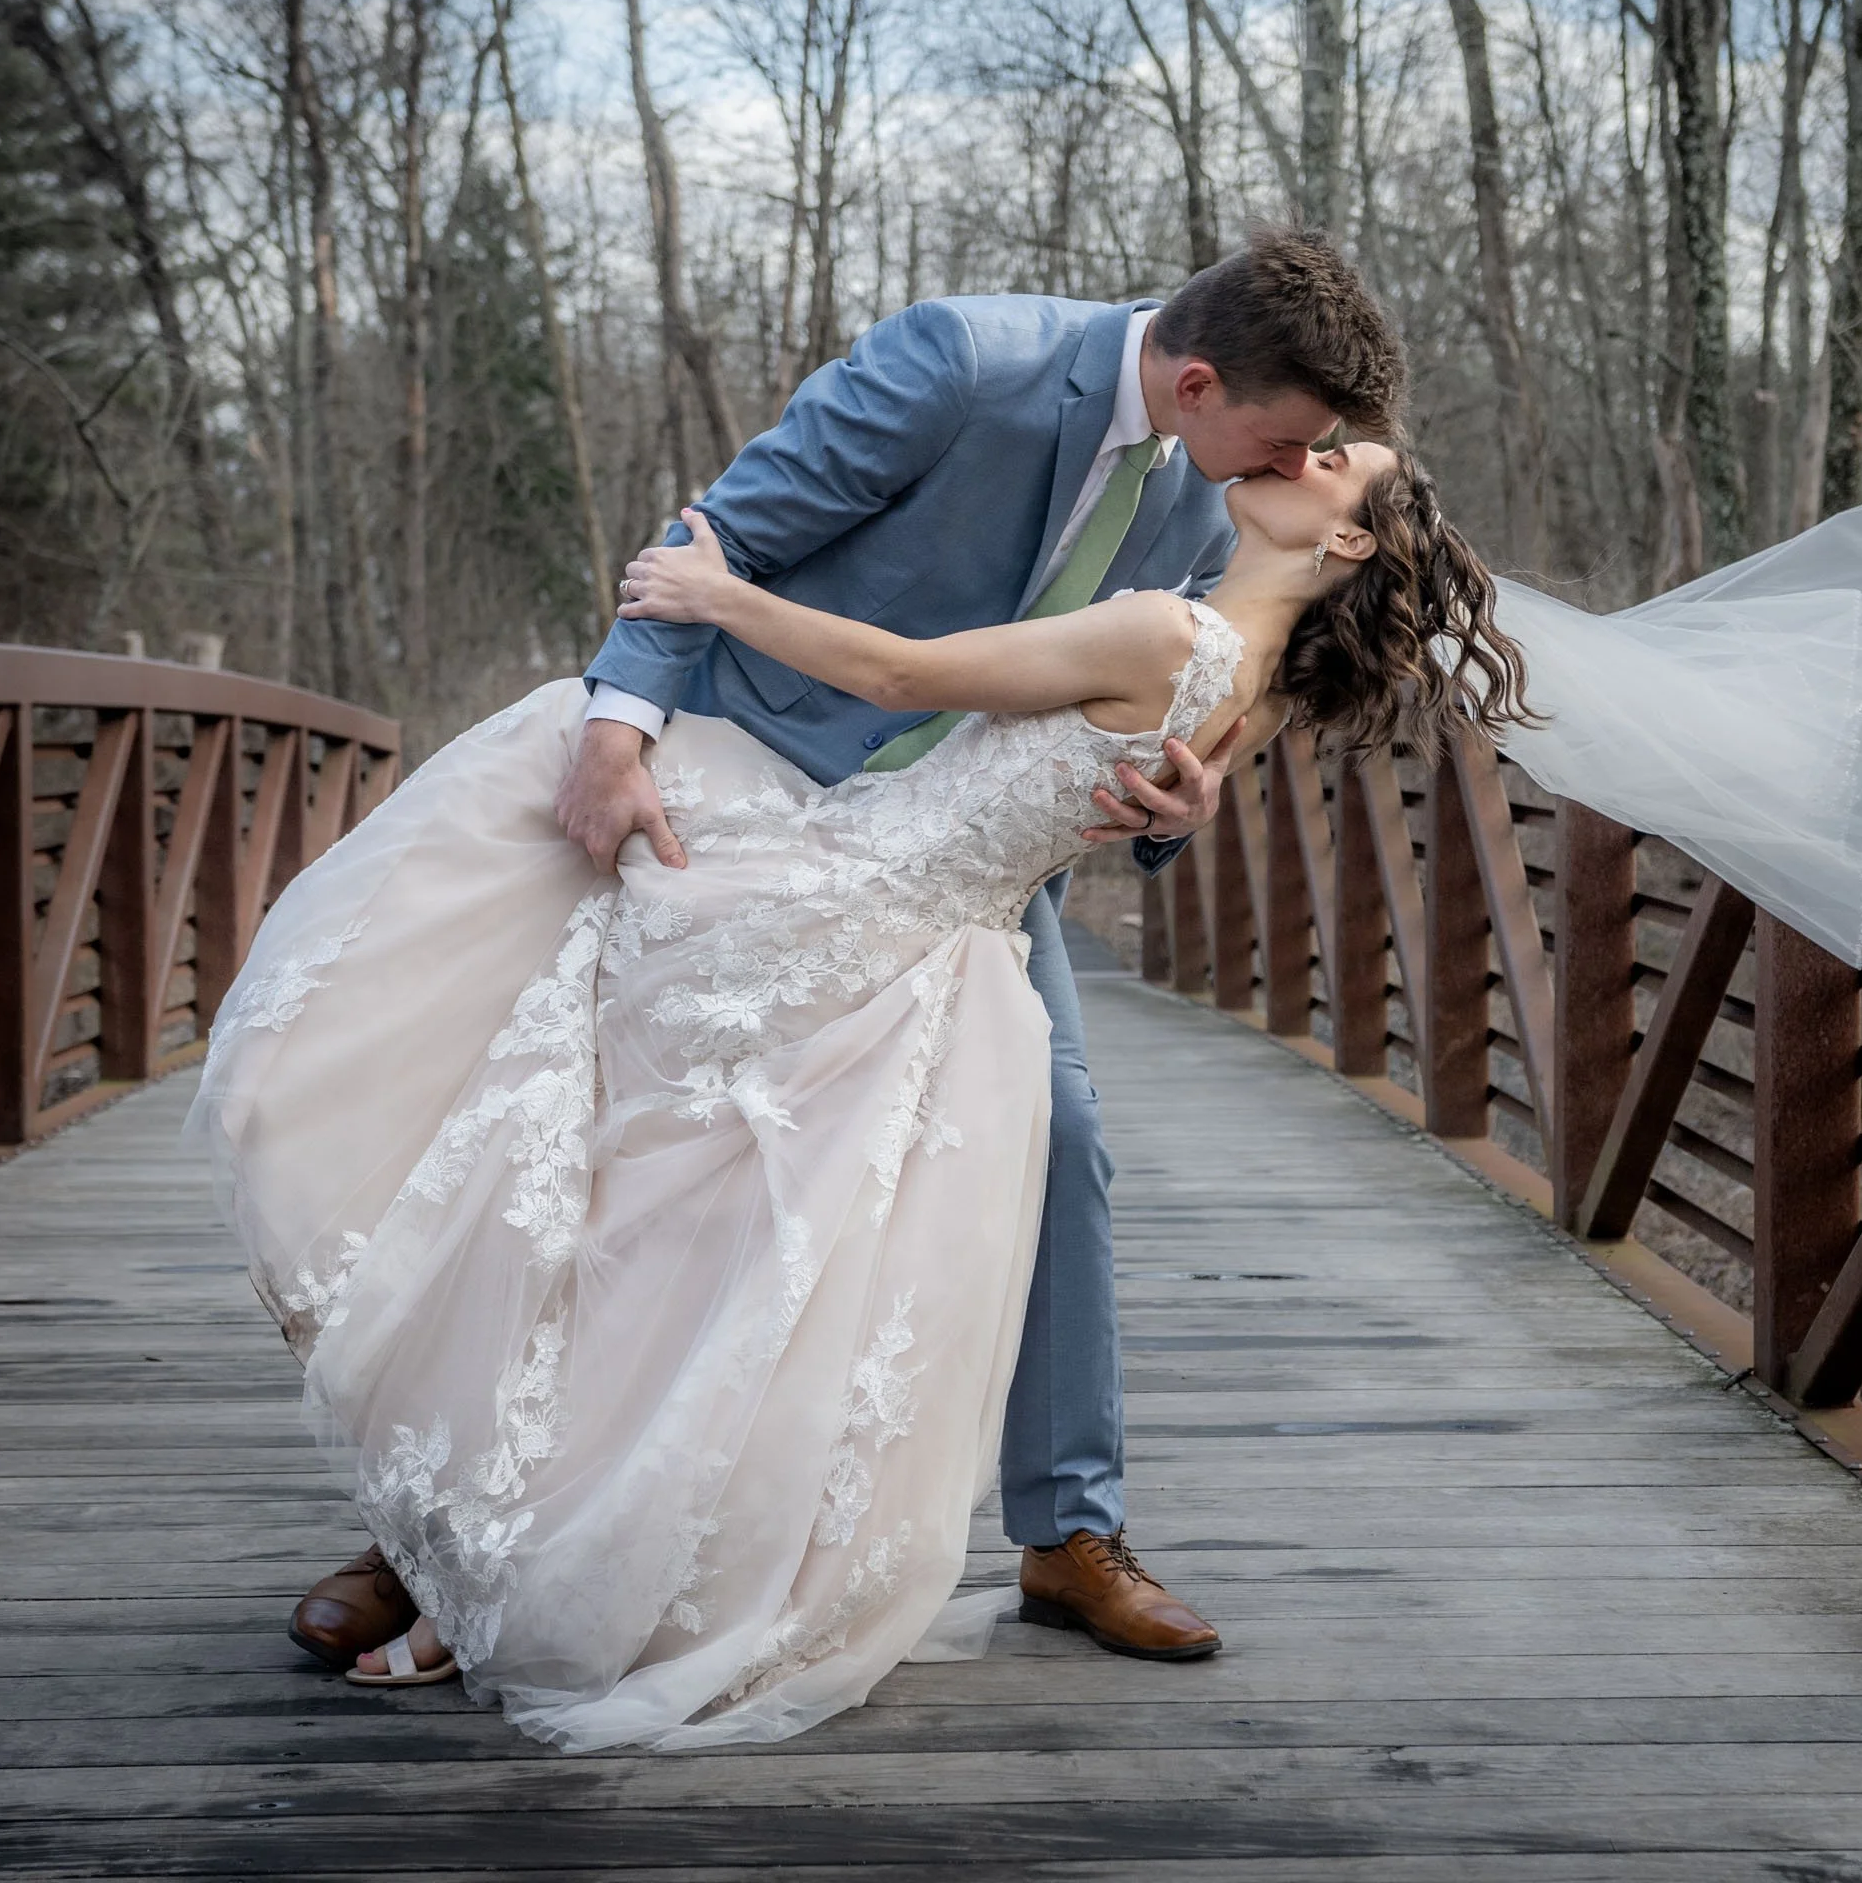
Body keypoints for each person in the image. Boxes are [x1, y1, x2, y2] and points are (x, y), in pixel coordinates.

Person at [191, 438, 1527, 1749]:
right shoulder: (1263, 683)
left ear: (1344, 536)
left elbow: (904, 673)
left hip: (837, 906)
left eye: (1339, 458)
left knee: (588, 1137)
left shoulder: (1167, 634)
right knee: (705, 1240)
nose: (1308, 449)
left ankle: (510, 1559)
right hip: (946, 952)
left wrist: (718, 600)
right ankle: (497, 1542)